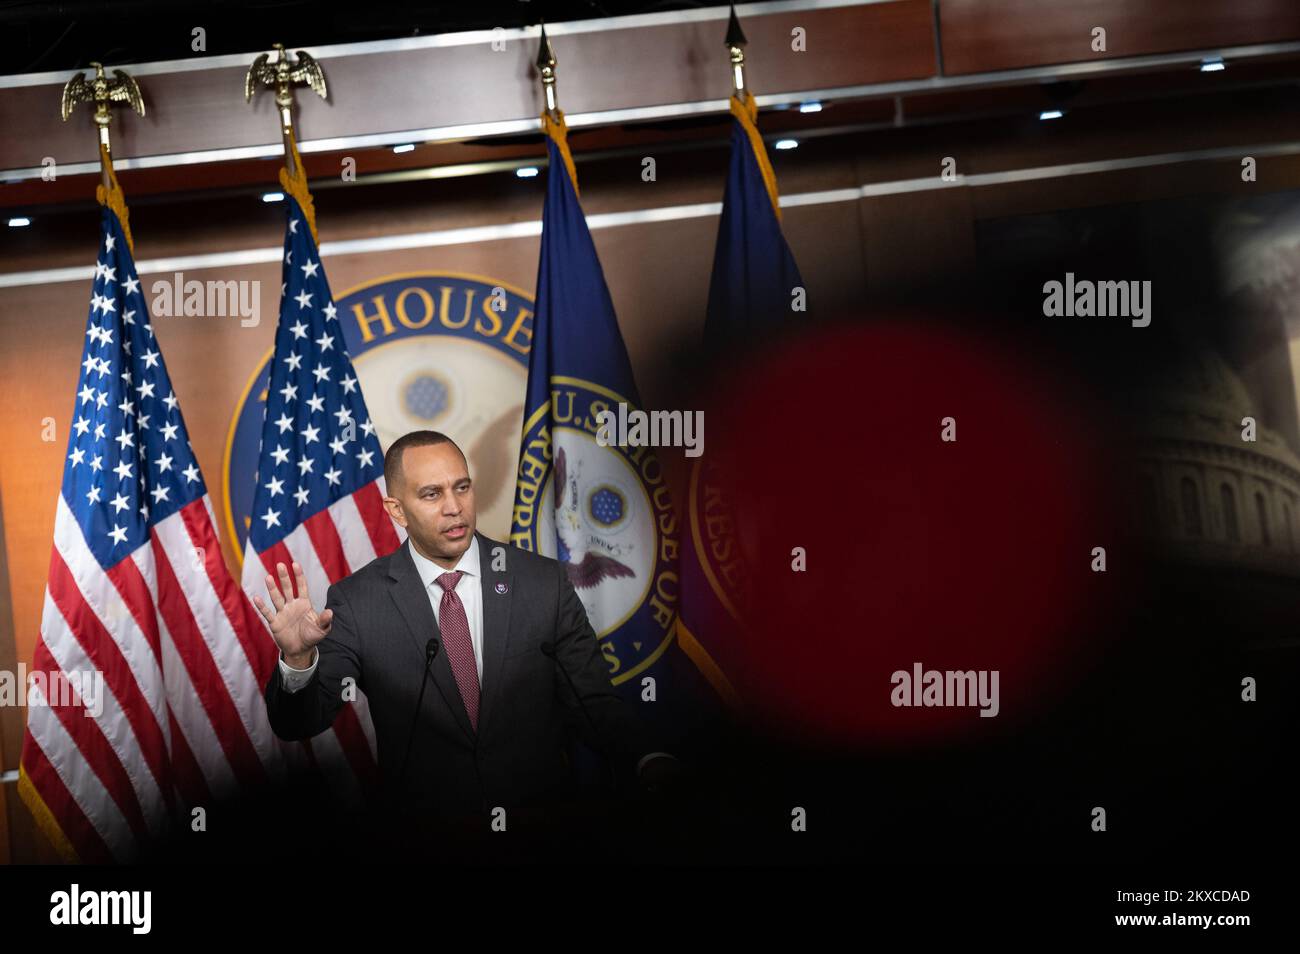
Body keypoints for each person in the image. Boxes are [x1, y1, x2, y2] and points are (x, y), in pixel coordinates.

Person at [253, 430, 680, 853]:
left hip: (544, 829)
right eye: (432, 494)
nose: (454, 508)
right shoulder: (357, 602)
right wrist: (298, 656)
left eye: (461, 487)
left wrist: (646, 757)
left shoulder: (542, 583)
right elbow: (299, 724)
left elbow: (594, 702)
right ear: (396, 510)